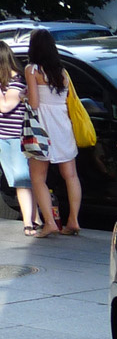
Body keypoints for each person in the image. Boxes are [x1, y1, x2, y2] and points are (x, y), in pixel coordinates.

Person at [24, 28, 80, 237]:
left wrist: (25, 95)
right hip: (63, 126)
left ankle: (49, 223)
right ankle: (73, 220)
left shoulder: (32, 70)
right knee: (71, 175)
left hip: (42, 129)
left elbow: (35, 103)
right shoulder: (62, 72)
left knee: (38, 177)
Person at [0, 45, 41, 235]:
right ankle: (35, 218)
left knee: (22, 181)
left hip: (15, 138)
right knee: (21, 182)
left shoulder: (16, 82)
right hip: (5, 138)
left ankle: (29, 223)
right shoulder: (5, 83)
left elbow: (6, 106)